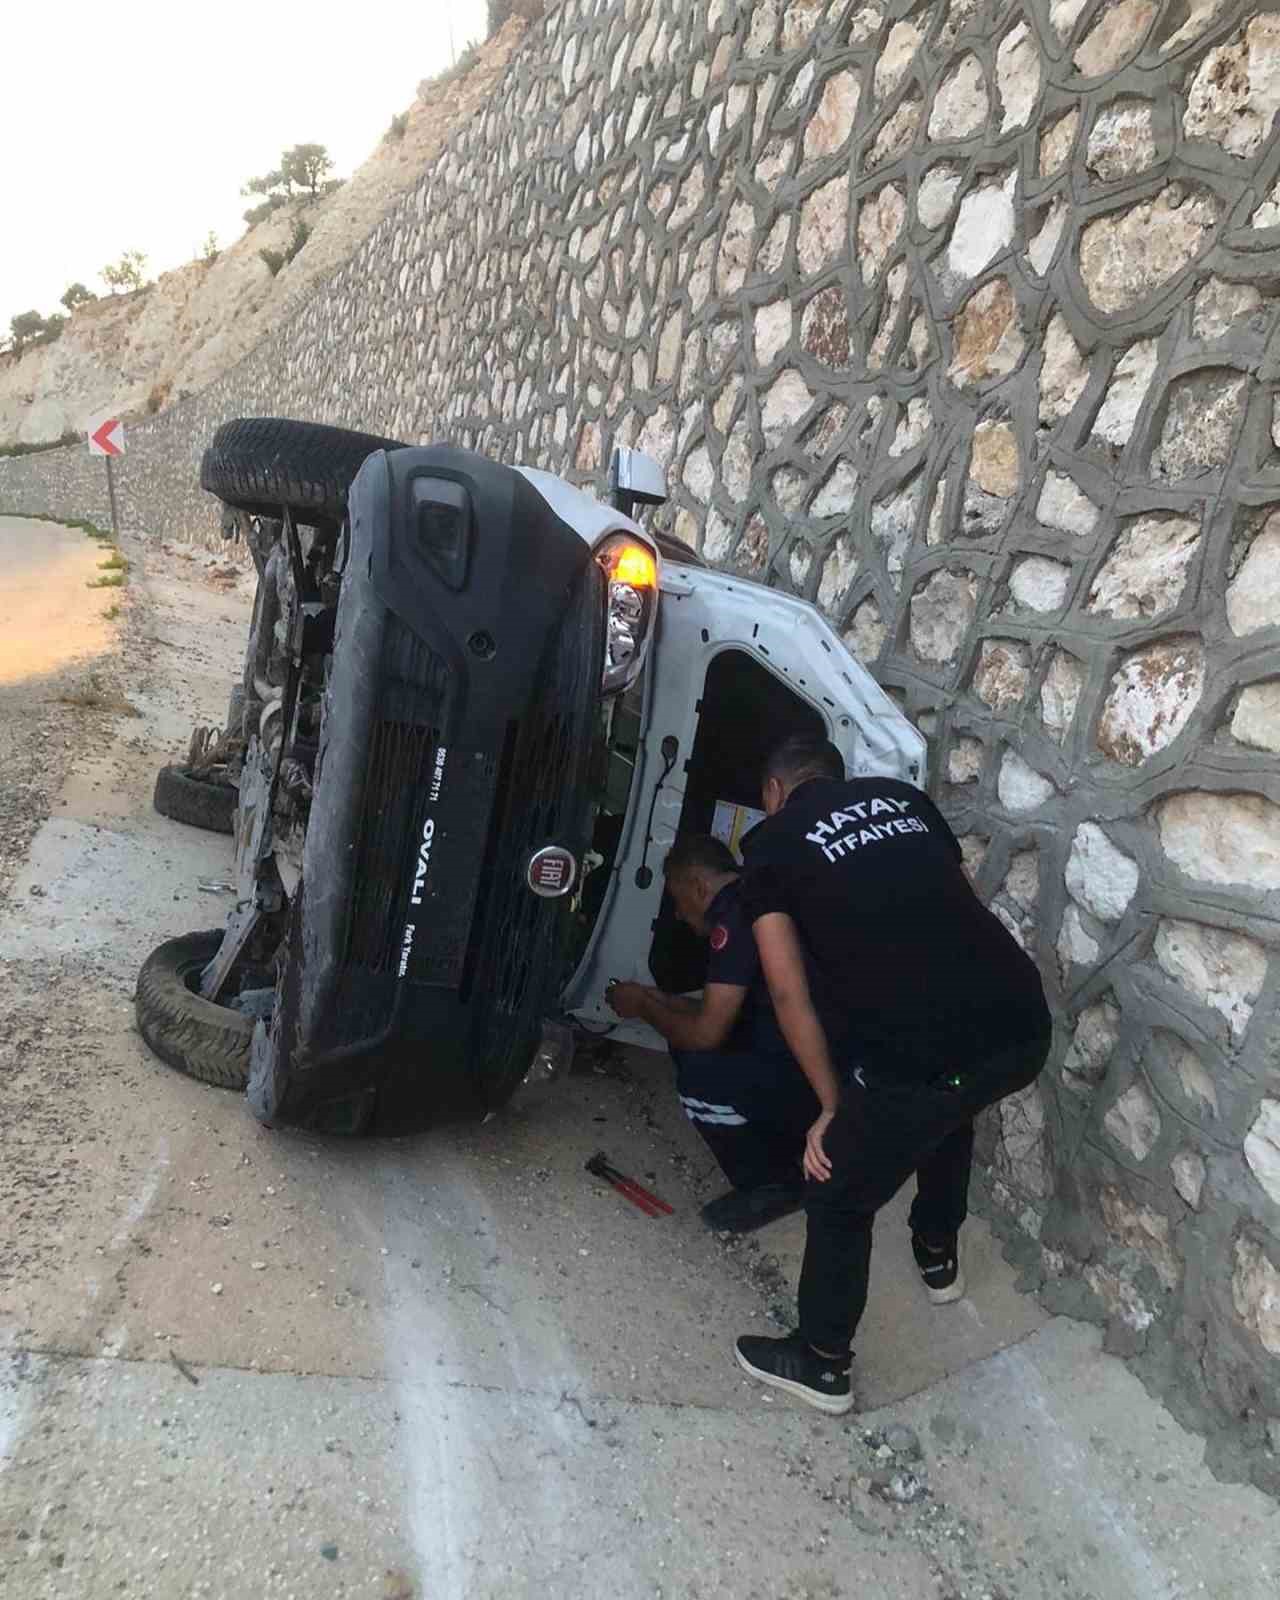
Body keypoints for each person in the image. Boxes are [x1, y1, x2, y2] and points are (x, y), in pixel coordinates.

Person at [732, 734, 1052, 1414]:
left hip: (919, 1055)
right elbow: (958, 906)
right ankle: (938, 1252)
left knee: (839, 1192)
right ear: (837, 776)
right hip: (1021, 1023)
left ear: (773, 794)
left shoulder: (770, 845)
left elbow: (787, 992)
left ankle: (821, 1364)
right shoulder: (903, 799)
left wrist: (829, 1106)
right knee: (953, 1100)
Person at [605, 834, 819, 1233]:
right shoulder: (753, 896)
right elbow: (720, 1011)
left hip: (804, 1078)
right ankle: (785, 1147)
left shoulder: (732, 918)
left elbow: (707, 1033)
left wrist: (644, 1007)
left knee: (699, 1078)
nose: (681, 915)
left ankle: (774, 1184)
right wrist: (656, 998)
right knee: (685, 1041)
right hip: (816, 1061)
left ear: (698, 886)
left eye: (677, 901)